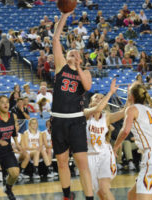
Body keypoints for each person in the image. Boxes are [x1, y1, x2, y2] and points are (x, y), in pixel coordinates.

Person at [52, 11, 93, 200]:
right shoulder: (60, 66)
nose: (72, 54)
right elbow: (56, 38)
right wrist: (65, 16)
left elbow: (87, 86)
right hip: (59, 120)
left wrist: (78, 67)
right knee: (61, 162)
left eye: (76, 53)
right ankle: (67, 195)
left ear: (81, 58)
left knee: (82, 163)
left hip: (76, 121)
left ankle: (90, 197)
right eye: (70, 52)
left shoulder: (84, 72)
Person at [113, 83, 152, 200]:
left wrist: (115, 146)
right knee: (132, 195)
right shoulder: (151, 110)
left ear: (131, 96)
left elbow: (125, 130)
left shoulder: (132, 109)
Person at [84, 84, 127, 200]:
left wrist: (130, 99)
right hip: (90, 156)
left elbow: (124, 112)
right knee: (99, 192)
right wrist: (110, 93)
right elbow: (97, 108)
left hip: (105, 154)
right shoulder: (85, 113)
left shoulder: (106, 117)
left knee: (104, 188)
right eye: (96, 97)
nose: (99, 99)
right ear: (90, 102)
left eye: (101, 98)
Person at [0, 95, 20, 200]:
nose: (5, 104)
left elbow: (14, 132)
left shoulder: (13, 116)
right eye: (2, 102)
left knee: (15, 173)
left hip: (7, 150)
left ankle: (8, 188)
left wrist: (17, 143)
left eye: (7, 101)